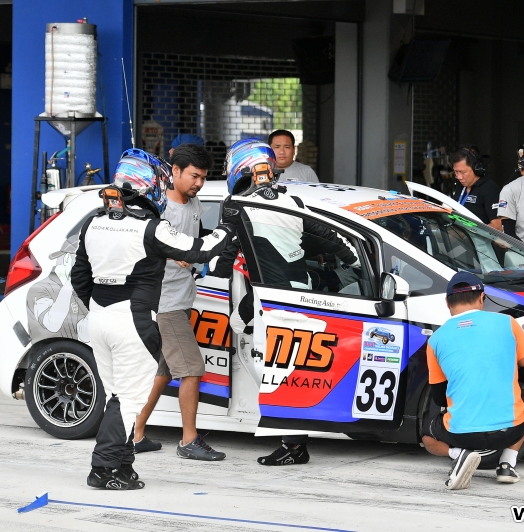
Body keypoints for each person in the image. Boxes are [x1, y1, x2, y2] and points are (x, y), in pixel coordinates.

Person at [71, 148, 233, 490]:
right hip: (134, 322)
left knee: (118, 397)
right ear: (152, 186)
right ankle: (103, 469)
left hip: (99, 320)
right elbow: (199, 251)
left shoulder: (92, 222)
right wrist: (230, 226)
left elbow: (79, 279)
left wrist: (101, 308)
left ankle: (122, 463)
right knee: (129, 399)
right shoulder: (151, 228)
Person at [213, 138, 358, 466]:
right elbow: (324, 235)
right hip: (300, 292)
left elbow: (223, 254)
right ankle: (294, 440)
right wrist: (352, 261)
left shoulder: (236, 203)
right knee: (288, 366)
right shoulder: (292, 196)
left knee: (273, 367)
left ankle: (292, 445)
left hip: (272, 300)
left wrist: (209, 267)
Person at [132, 143, 226, 461]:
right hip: (165, 304)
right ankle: (189, 441)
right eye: (193, 176)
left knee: (164, 371)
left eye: (202, 177)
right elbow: (140, 245)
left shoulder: (194, 202)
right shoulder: (160, 209)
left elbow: (197, 237)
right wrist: (170, 252)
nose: (198, 183)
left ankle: (136, 433)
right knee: (192, 368)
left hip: (182, 298)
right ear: (175, 171)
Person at [422, 272, 524, 490]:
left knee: (427, 436)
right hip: (510, 430)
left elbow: (439, 396)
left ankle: (459, 454)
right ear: (482, 297)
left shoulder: (436, 339)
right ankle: (507, 463)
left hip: (459, 435)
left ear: (447, 303)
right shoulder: (508, 323)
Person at [448, 146, 502, 229]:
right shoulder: (460, 186)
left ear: (476, 168)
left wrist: (468, 233)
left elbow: (497, 227)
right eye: (456, 172)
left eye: (462, 172)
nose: (459, 177)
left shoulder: (489, 189)